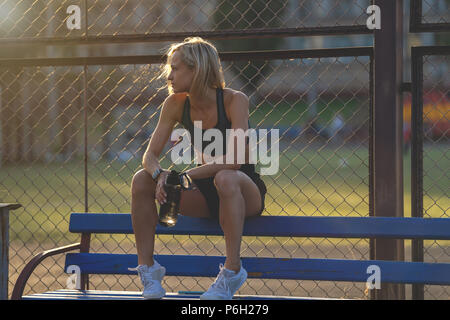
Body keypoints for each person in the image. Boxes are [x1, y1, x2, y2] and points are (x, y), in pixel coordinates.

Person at [130, 37, 267, 300]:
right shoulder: (175, 104)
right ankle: (148, 271)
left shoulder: (234, 101)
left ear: (198, 70)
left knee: (226, 178)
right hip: (206, 192)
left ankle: (232, 272)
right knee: (141, 180)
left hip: (242, 189)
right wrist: (160, 176)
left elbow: (234, 161)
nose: (169, 76)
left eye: (176, 68)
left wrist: (182, 176)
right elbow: (150, 155)